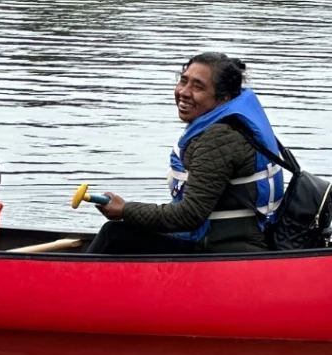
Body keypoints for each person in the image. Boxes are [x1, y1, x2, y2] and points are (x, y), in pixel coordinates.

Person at [87, 53, 284, 255]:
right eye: (183, 81)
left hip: (224, 251)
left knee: (115, 235)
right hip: (228, 239)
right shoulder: (230, 124)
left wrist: (125, 210)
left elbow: (189, 215)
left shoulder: (220, 138)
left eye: (198, 87)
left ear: (223, 98)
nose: (184, 92)